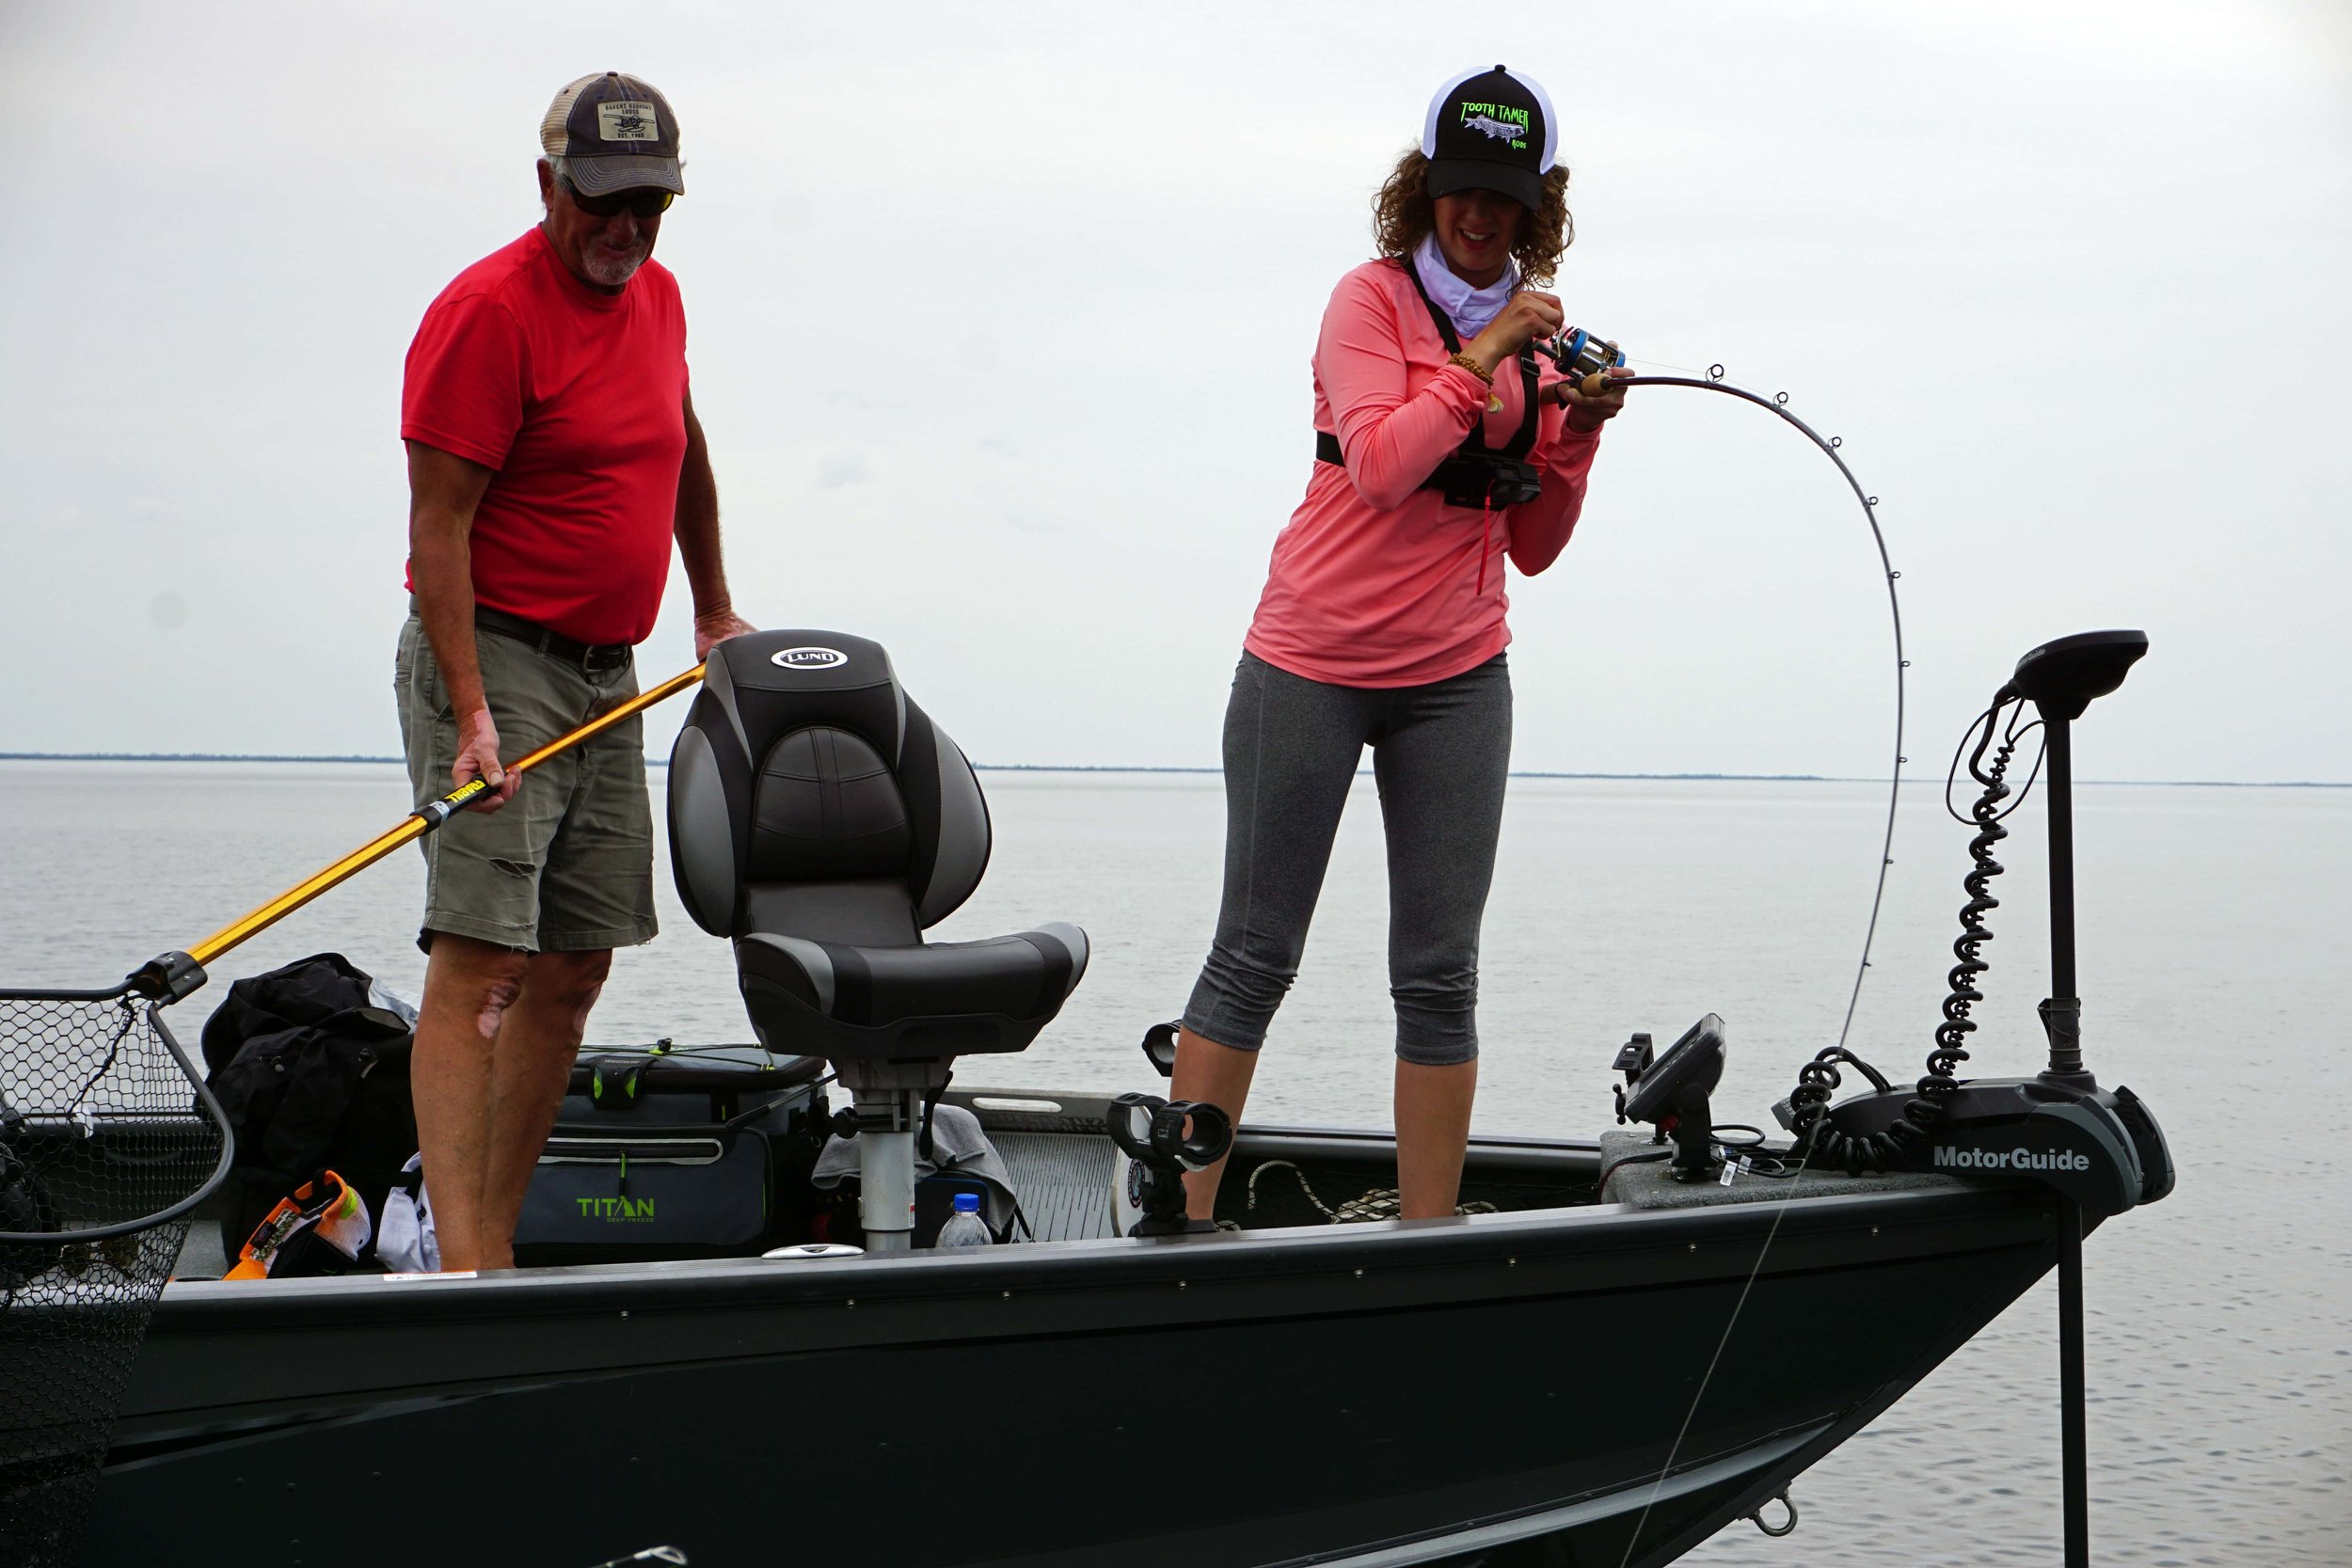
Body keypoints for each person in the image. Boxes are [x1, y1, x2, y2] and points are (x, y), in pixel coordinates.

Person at [1170, 64, 1629, 1223]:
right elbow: (1379, 465)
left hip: (1459, 678)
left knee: (1438, 973)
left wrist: (1574, 433)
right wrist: (1479, 362)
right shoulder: (1365, 303)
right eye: (1460, 190)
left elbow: (1532, 545)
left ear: (1538, 207)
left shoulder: (1541, 347)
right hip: (1306, 666)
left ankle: (1432, 1231)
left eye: (1504, 198)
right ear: (1424, 191)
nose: (1480, 217)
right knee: (1254, 953)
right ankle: (1174, 1219)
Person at [394, 71, 755, 1271]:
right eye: (604, 201)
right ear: (549, 183)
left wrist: (709, 605)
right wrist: (472, 714)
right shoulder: (488, 312)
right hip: (496, 656)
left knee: (573, 962)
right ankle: (461, 1273)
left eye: (650, 203)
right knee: (483, 957)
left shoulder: (660, 296)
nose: (626, 229)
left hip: (612, 670)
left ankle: (494, 1249)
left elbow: (681, 447)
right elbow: (436, 527)